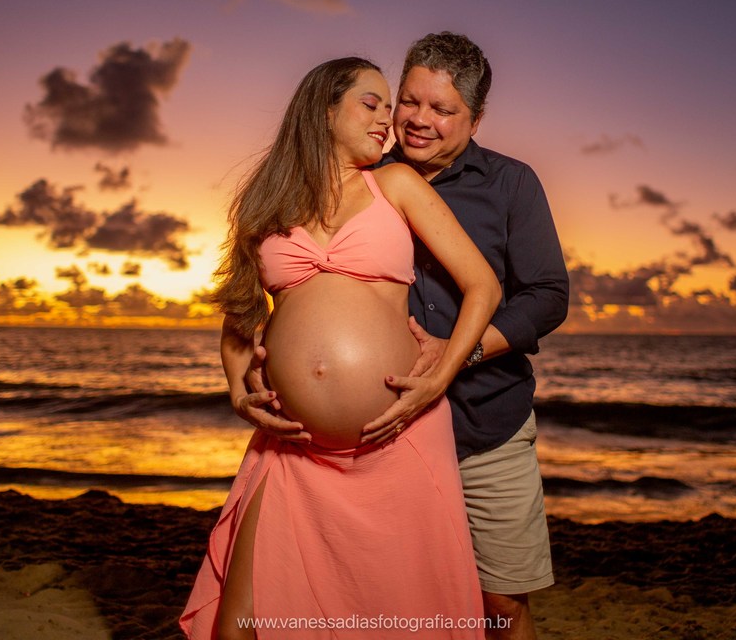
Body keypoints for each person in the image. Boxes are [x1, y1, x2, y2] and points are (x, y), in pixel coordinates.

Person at [179, 57, 502, 640]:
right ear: (325, 110)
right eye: (370, 104)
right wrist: (236, 391)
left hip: (397, 439)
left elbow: (484, 286)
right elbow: (240, 312)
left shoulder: (396, 186)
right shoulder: (268, 201)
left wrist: (440, 376)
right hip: (291, 451)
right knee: (240, 626)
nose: (387, 120)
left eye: (388, 107)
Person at [363, 32, 570, 640]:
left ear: (476, 119)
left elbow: (547, 296)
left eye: (442, 109)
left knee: (501, 604)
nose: (418, 120)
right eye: (409, 101)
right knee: (396, 603)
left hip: (487, 422)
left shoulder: (512, 183)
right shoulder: (363, 178)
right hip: (385, 425)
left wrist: (460, 354)